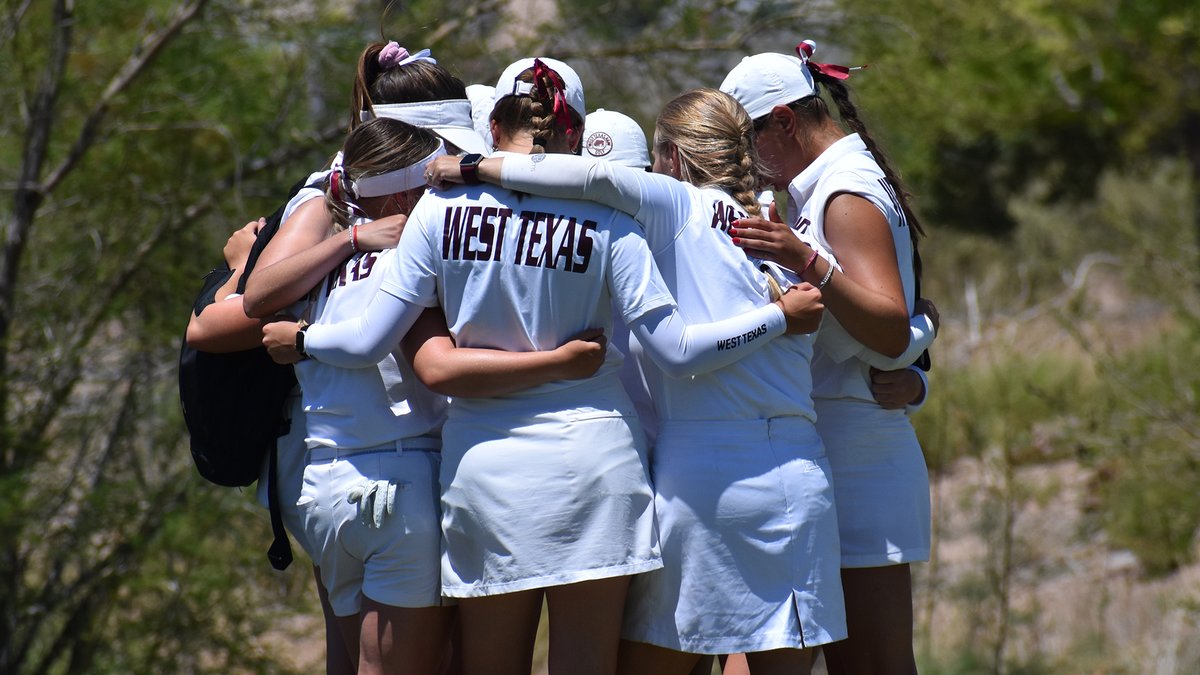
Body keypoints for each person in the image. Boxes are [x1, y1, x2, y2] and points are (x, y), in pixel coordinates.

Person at [269, 58, 823, 675]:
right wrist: (779, 316)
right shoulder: (616, 222)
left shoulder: (437, 210)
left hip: (486, 473)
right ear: (578, 139)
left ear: (493, 123)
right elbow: (676, 349)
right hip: (598, 468)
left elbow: (368, 340)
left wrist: (303, 340)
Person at [426, 87, 844, 675]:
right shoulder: (783, 231)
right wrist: (918, 357)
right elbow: (887, 329)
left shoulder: (675, 203)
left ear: (670, 158)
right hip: (801, 480)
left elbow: (589, 183)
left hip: (704, 481)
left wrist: (470, 164)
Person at [187, 41, 486, 674]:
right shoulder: (333, 199)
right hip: (357, 454)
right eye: (446, 145)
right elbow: (225, 319)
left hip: (358, 462)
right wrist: (347, 243)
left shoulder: (423, 204)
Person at [720, 40, 938, 674]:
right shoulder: (825, 186)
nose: (747, 165)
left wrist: (805, 260)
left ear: (784, 122)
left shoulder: (843, 191)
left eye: (747, 143)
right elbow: (907, 319)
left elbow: (890, 329)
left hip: (857, 458)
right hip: (824, 450)